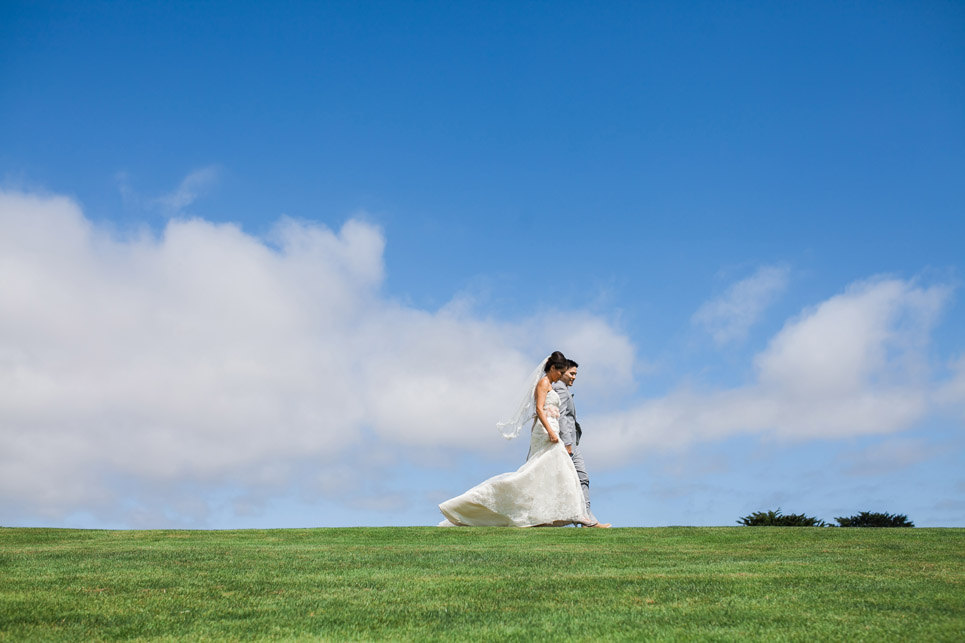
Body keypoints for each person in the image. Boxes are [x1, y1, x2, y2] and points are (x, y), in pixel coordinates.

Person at [438, 352, 592, 527]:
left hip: (552, 430)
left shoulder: (550, 384)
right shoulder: (543, 383)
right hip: (547, 432)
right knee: (549, 472)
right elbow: (540, 409)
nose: (560, 376)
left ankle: (570, 514)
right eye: (560, 372)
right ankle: (580, 516)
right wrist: (550, 431)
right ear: (553, 369)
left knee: (551, 473)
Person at [554, 359, 610, 528]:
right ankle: (587, 519)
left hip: (571, 444)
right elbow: (562, 417)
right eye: (572, 373)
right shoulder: (560, 390)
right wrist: (568, 443)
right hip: (568, 445)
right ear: (561, 372)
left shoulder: (563, 390)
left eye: (576, 374)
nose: (574, 377)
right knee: (581, 478)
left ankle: (586, 518)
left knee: (581, 479)